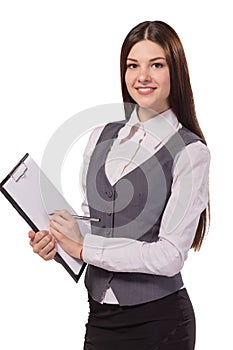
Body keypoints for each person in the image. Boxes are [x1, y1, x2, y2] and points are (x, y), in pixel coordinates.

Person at [28, 20, 210, 349]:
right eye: (132, 65)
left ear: (176, 72)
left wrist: (83, 247)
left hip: (161, 324)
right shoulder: (100, 136)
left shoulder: (191, 152)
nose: (142, 76)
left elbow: (169, 256)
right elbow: (91, 229)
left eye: (156, 64)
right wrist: (58, 246)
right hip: (100, 319)